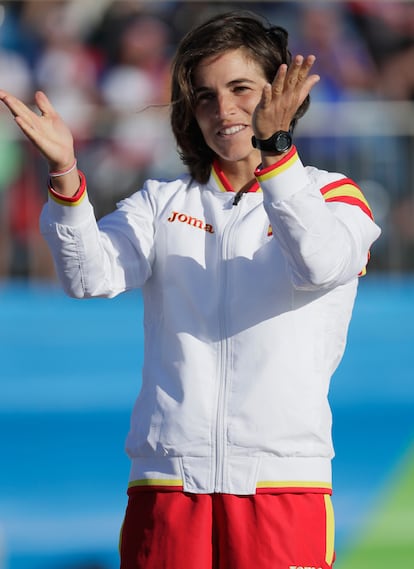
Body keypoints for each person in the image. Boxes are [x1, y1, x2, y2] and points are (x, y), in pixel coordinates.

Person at [0, 10, 381, 569]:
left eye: (241, 89)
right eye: (205, 96)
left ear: (280, 92)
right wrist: (63, 173)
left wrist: (276, 155)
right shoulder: (161, 201)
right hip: (167, 481)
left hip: (282, 484)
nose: (223, 110)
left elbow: (319, 263)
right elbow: (88, 277)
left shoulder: (336, 196)